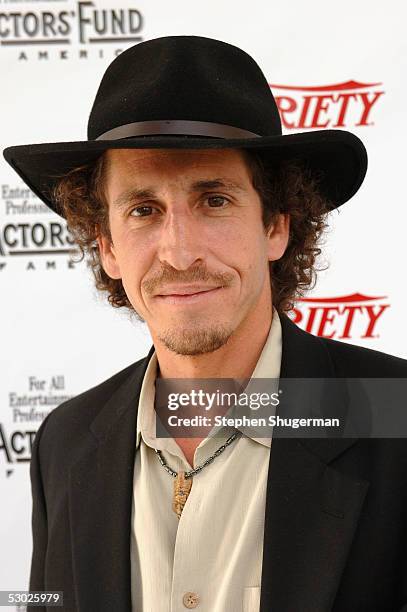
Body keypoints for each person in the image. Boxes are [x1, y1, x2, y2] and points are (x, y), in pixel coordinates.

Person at [4, 35, 407, 612]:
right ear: (108, 246)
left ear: (276, 226)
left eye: (214, 200)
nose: (179, 251)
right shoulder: (64, 447)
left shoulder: (396, 419)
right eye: (143, 210)